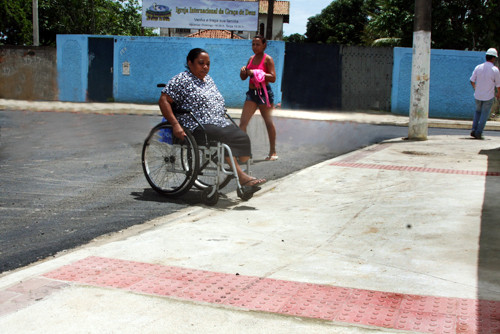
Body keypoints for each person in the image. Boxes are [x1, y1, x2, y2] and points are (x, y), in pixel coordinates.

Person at [158, 48, 266, 188]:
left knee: (241, 136)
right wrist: (175, 125)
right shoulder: (181, 79)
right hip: (195, 124)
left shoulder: (208, 80)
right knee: (224, 138)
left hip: (216, 121)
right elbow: (163, 100)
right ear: (190, 63)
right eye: (201, 63)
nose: (205, 67)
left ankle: (237, 166)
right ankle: (242, 177)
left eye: (208, 64)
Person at [239, 35, 278, 161]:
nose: (255, 47)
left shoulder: (268, 59)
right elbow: (244, 78)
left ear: (264, 45)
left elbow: (273, 77)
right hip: (251, 94)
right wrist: (243, 71)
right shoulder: (251, 59)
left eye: (257, 44)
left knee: (268, 123)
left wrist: (255, 72)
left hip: (264, 94)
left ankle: (272, 151)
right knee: (243, 124)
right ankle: (245, 153)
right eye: (253, 44)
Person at [469, 48, 500, 139]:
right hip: (488, 96)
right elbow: (498, 85)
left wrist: (475, 88)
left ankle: (474, 130)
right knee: (484, 114)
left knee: (477, 112)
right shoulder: (495, 70)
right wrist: (498, 93)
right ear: (494, 58)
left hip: (478, 95)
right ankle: (479, 132)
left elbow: (471, 80)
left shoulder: (478, 67)